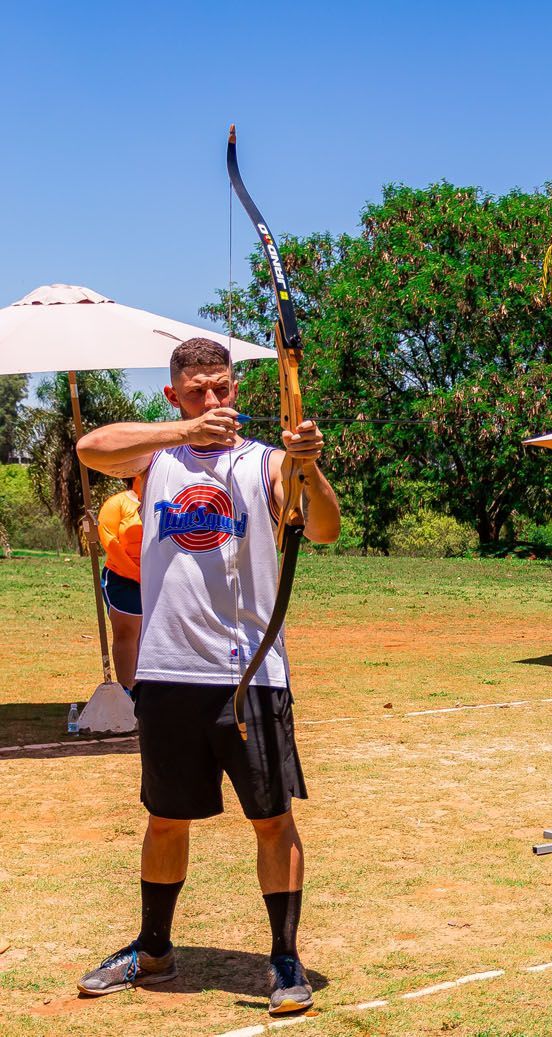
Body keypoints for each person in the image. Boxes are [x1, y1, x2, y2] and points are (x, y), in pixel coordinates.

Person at [74, 338, 340, 1015]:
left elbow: (327, 527)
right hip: (167, 672)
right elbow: (91, 448)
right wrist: (185, 432)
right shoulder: (157, 456)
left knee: (271, 820)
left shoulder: (263, 460)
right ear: (174, 394)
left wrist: (308, 468)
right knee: (166, 819)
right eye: (198, 391)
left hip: (249, 673)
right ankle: (154, 946)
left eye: (223, 388)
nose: (215, 402)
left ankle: (283, 957)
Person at [97, 476, 145, 691]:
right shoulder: (117, 503)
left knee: (150, 634)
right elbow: (110, 542)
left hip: (158, 579)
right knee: (127, 633)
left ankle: (148, 689)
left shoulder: (165, 501)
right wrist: (136, 573)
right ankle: (128, 690)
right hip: (123, 579)